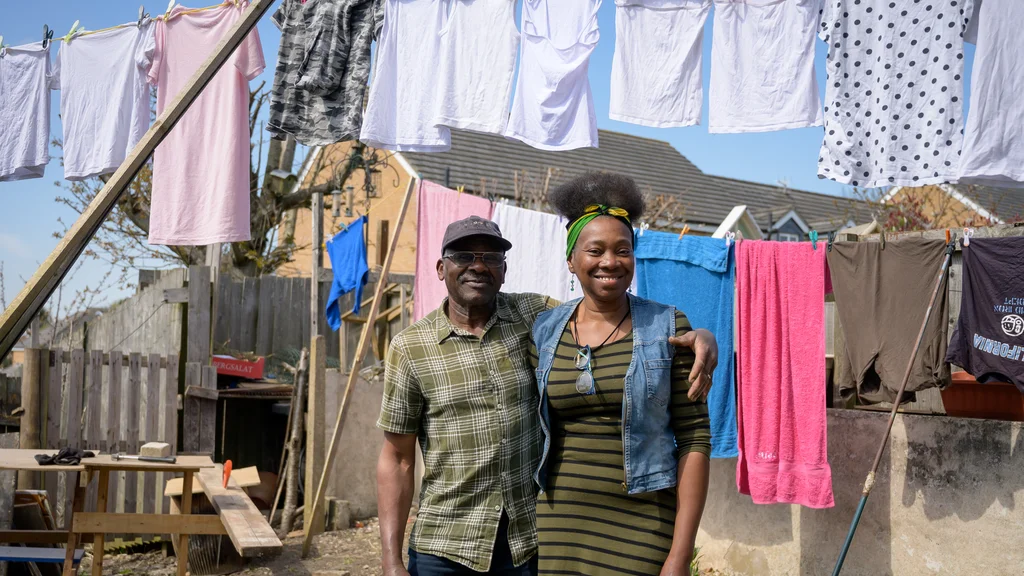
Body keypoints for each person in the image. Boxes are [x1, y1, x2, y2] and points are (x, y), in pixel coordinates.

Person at [376, 214, 718, 576]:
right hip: (445, 545)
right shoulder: (410, 348)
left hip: (527, 544)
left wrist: (703, 335)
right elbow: (397, 460)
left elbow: (601, 306)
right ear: (441, 268)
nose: (478, 266)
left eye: (491, 258)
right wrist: (390, 559)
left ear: (504, 270)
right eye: (464, 256)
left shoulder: (536, 317)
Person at [531, 173, 712, 576]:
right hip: (559, 525)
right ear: (571, 260)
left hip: (642, 521)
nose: (610, 262)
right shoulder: (545, 329)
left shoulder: (667, 326)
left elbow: (696, 439)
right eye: (595, 250)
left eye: (623, 250)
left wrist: (680, 556)